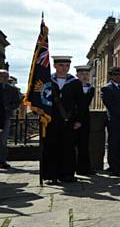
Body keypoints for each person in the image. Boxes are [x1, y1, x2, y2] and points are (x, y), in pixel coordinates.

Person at [43, 56, 85, 184]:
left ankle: (67, 174)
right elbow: (40, 99)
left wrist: (79, 120)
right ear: (55, 66)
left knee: (68, 148)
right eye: (61, 65)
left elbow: (81, 103)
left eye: (67, 66)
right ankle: (51, 175)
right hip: (51, 120)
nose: (64, 68)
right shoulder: (47, 81)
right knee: (51, 147)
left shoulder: (74, 82)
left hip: (69, 121)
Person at [100, 67, 120, 176]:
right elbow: (110, 105)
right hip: (114, 121)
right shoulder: (106, 88)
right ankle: (113, 167)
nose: (118, 77)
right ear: (111, 76)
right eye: (116, 74)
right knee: (114, 145)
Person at [74, 65, 94, 176]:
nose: (85, 76)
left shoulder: (90, 88)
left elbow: (84, 104)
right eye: (82, 74)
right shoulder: (72, 86)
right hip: (72, 118)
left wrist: (80, 121)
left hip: (84, 119)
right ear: (77, 75)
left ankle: (84, 169)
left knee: (84, 145)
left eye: (87, 74)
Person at [0, 69, 21, 169]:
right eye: (1, 76)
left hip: (5, 117)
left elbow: (17, 103)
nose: (3, 78)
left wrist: (8, 107)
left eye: (5, 76)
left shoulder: (12, 90)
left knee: (3, 140)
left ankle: (2, 161)